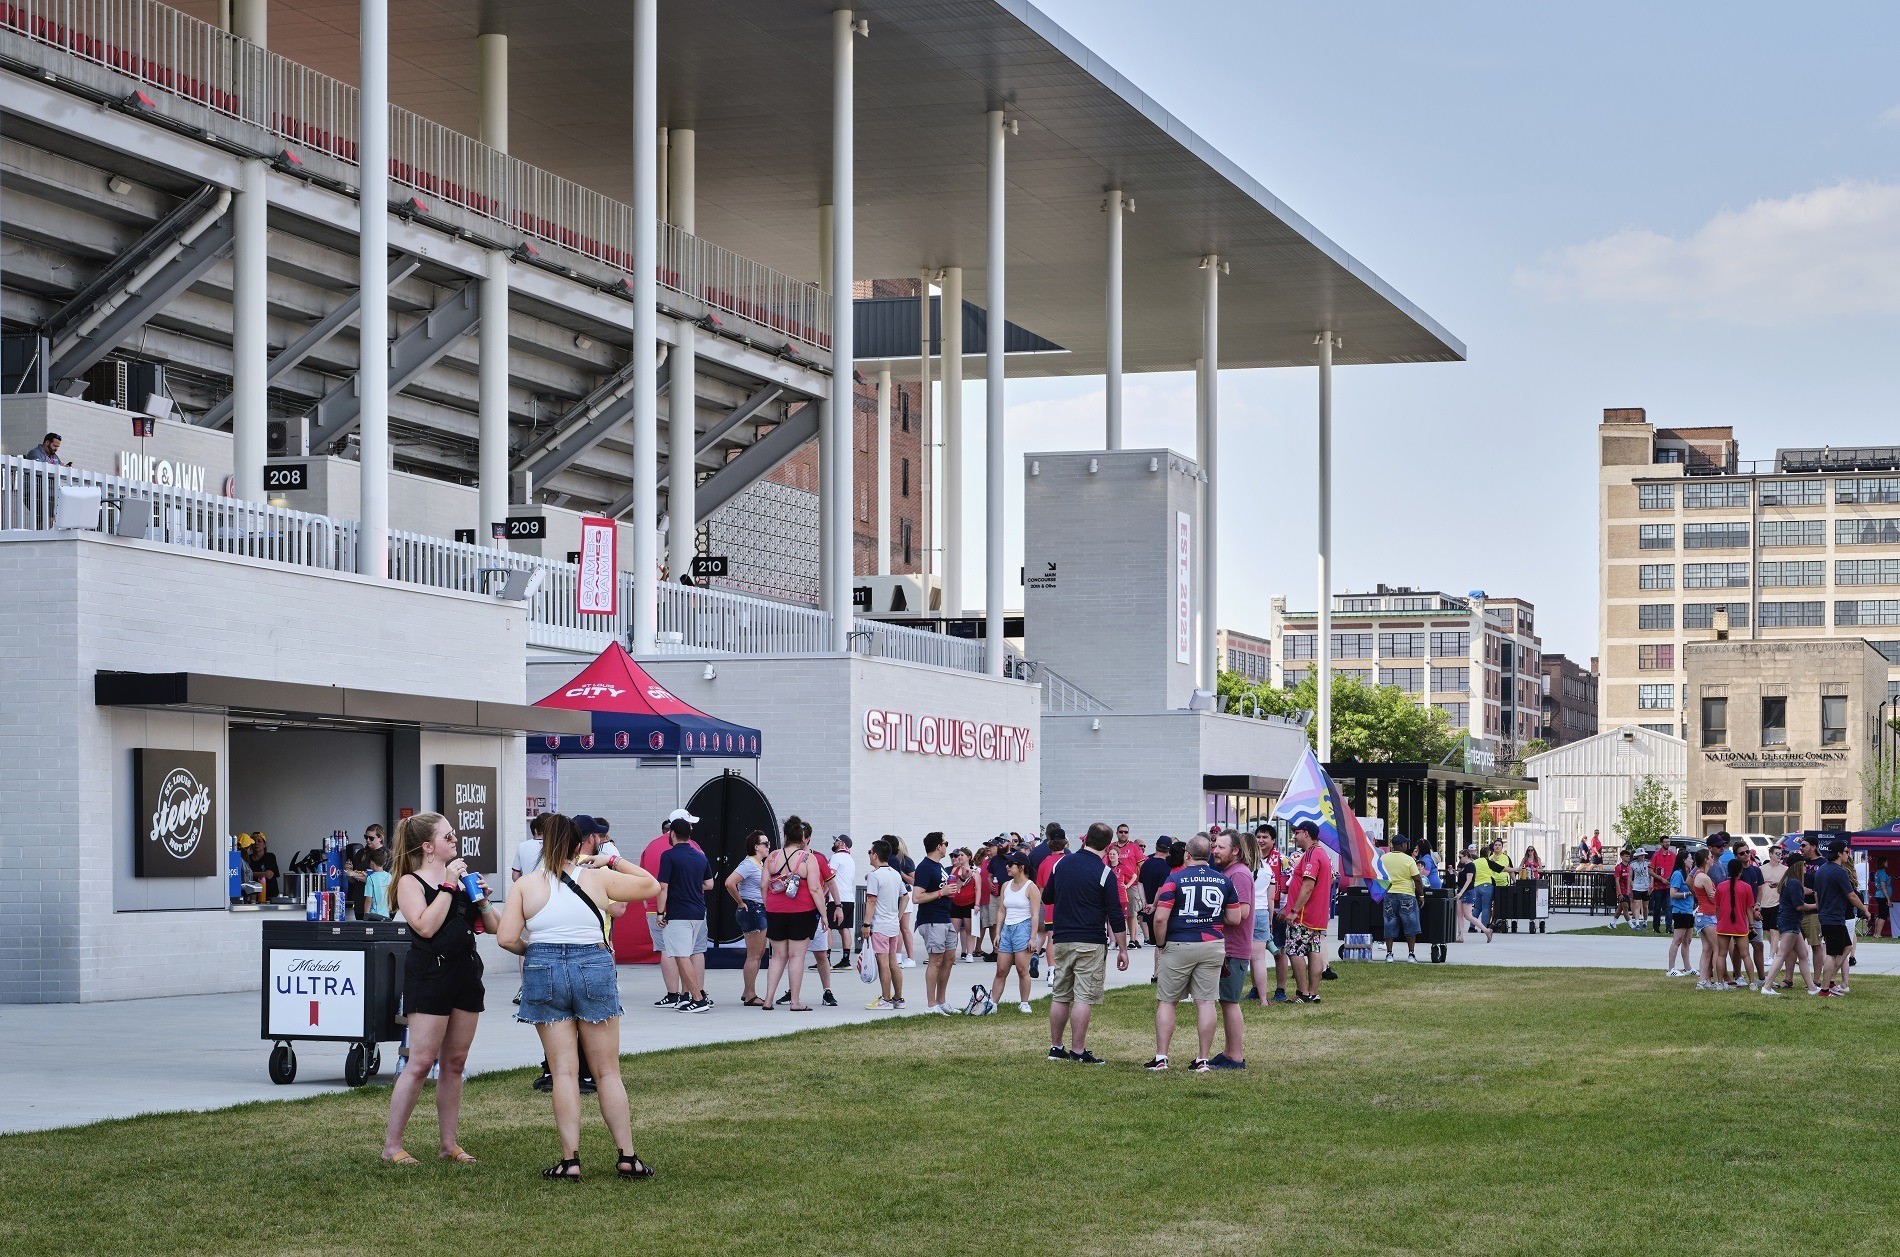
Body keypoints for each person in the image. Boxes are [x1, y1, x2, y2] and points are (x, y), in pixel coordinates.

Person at [497, 814, 660, 1181]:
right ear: (578, 845)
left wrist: (535, 953)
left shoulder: (526, 886)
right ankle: (627, 1156)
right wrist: (611, 859)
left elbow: (506, 938)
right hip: (594, 965)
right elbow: (650, 885)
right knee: (607, 1071)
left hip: (544, 968)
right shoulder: (597, 877)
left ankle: (570, 1161)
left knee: (564, 1072)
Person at [381, 812, 499, 1166]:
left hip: (465, 974)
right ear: (428, 847)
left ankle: (449, 1144)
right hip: (430, 976)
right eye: (448, 837)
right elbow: (426, 927)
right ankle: (392, 1146)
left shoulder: (461, 880)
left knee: (455, 1062)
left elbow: (492, 926)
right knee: (419, 1063)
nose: (455, 841)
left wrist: (480, 900)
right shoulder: (409, 883)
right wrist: (448, 886)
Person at [1144, 835, 1238, 1072]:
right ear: (1208, 855)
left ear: (1187, 854)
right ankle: (1203, 1059)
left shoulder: (1174, 879)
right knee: (1206, 1001)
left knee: (1167, 1000)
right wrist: (1214, 918)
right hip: (1213, 944)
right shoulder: (1223, 881)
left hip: (1179, 943)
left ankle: (1162, 1057)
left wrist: (1161, 942)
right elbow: (1235, 917)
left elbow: (1161, 917)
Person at [1042, 822, 1129, 1063]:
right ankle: (1078, 1051)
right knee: (1083, 997)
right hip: (1090, 940)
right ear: (1108, 845)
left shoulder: (1061, 864)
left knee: (1060, 994)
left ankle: (1056, 1048)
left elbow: (1047, 896)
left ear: (1085, 839)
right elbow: (1115, 914)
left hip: (1061, 938)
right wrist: (1123, 949)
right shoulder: (1105, 873)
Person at [762, 816, 829, 1011]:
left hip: (775, 910)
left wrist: (769, 906)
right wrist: (824, 915)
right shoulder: (809, 858)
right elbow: (816, 889)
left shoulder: (772, 856)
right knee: (797, 956)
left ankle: (768, 1000)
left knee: (777, 956)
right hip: (801, 911)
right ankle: (795, 1002)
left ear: (785, 836)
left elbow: (763, 885)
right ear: (802, 838)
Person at [1209, 831, 1254, 1069]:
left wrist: (1208, 914)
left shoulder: (1239, 874)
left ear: (1235, 850)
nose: (1214, 851)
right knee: (1225, 1001)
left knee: (1230, 1001)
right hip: (1226, 947)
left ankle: (1235, 1056)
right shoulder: (1229, 872)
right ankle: (1228, 1051)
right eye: (1215, 846)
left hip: (1234, 949)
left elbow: (1242, 913)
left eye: (1220, 848)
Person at [1283, 821, 1334, 1004]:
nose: (1294, 837)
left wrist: (1294, 911)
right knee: (1314, 951)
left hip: (1304, 915)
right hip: (1317, 915)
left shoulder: (1312, 854)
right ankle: (1313, 993)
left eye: (1296, 833)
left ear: (1305, 833)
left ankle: (1303, 993)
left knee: (1294, 950)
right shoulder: (1322, 854)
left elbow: (1308, 885)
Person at [910, 832, 962, 1014]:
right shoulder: (924, 867)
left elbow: (945, 889)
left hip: (945, 917)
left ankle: (942, 1001)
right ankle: (931, 1004)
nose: (947, 846)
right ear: (938, 846)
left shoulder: (938, 866)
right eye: (945, 843)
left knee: (949, 959)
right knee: (936, 960)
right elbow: (916, 897)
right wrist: (942, 892)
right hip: (931, 920)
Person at [987, 852, 1042, 1012]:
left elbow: (1035, 915)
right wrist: (998, 932)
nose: (1007, 867)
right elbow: (1001, 911)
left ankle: (1024, 1003)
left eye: (1010, 864)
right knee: (1001, 970)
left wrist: (1033, 938)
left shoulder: (1031, 888)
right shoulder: (1006, 885)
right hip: (1007, 929)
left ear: (1021, 867)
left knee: (1022, 969)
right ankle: (993, 1004)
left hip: (1023, 929)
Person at [723, 830, 771, 1008]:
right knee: (754, 955)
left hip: (757, 909)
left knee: (757, 955)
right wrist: (741, 902)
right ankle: (750, 994)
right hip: (753, 910)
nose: (768, 846)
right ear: (756, 847)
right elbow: (729, 882)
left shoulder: (758, 864)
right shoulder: (750, 864)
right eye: (765, 844)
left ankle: (747, 991)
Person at [1760, 853, 1819, 996]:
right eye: (1804, 864)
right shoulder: (1794, 882)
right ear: (1798, 866)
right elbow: (1799, 906)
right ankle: (1767, 986)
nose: (1806, 867)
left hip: (1791, 921)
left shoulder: (1789, 880)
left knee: (1803, 955)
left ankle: (1812, 988)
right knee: (1781, 955)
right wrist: (1817, 905)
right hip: (1790, 922)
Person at [1814, 841, 1867, 996]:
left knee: (1847, 947)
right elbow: (1851, 895)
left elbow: (1817, 894)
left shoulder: (1821, 870)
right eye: (1846, 851)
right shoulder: (1840, 872)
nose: (1848, 854)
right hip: (1834, 917)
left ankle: (1829, 981)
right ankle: (1824, 990)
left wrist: (1821, 910)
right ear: (1839, 853)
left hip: (1828, 916)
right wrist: (1865, 909)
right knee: (1832, 953)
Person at [862, 839, 909, 1010]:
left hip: (880, 925)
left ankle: (886, 999)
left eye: (869, 852)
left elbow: (871, 901)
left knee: (883, 963)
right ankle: (898, 998)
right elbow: (905, 896)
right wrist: (898, 916)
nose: (869, 855)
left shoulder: (875, 875)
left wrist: (866, 924)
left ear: (875, 855)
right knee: (893, 962)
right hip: (892, 925)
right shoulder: (895, 874)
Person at [1714, 855, 1757, 990]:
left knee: (1721, 954)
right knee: (1746, 955)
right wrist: (1751, 925)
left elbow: (1717, 907)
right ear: (1740, 871)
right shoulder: (1746, 887)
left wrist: (1719, 919)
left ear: (1728, 871)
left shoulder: (1720, 887)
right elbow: (1749, 908)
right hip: (1740, 926)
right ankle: (1752, 983)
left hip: (1723, 925)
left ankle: (1720, 983)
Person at [1378, 834, 1424, 962]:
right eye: (1405, 844)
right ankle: (1411, 954)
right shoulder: (1408, 860)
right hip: (1407, 895)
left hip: (1389, 894)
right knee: (1410, 924)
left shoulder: (1383, 858)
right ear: (1402, 845)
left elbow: (1379, 876)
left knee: (1389, 923)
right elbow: (1417, 879)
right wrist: (1421, 895)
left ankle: (1389, 954)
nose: (1406, 845)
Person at [1032, 825, 1070, 979]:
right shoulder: (1069, 860)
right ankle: (1065, 971)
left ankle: (1051, 971)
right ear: (1064, 843)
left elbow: (1040, 889)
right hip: (1068, 906)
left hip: (1050, 906)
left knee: (1051, 939)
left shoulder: (1044, 862)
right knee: (1068, 940)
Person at [1687, 850, 1722, 990]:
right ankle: (1717, 981)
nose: (1713, 859)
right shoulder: (1704, 878)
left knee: (1707, 949)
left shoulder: (1698, 875)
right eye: (1710, 857)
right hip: (1708, 915)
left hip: (1702, 915)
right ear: (1706, 860)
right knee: (1717, 948)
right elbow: (1713, 897)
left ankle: (1703, 981)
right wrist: (1720, 893)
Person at [1664, 849, 1695, 977]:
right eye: (1690, 858)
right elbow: (1672, 894)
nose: (1692, 860)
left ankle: (1687, 967)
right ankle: (1671, 968)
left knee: (1687, 941)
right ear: (1684, 860)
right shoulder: (1678, 874)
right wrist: (1687, 893)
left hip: (1689, 911)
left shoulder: (1688, 873)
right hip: (1680, 911)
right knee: (1677, 940)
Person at [345, 824, 387, 920]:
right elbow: (352, 880)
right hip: (360, 901)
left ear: (380, 838)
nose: (367, 840)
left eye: (371, 838)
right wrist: (349, 872)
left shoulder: (387, 855)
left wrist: (368, 880)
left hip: (379, 905)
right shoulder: (361, 853)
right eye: (366, 837)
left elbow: (389, 881)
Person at [828, 835, 857, 966]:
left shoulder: (836, 857)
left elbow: (828, 878)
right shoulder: (850, 859)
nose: (834, 842)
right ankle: (846, 960)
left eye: (836, 840)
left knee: (827, 928)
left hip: (836, 899)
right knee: (844, 928)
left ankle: (825, 960)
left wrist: (821, 895)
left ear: (842, 843)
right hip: (849, 899)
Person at [950, 847, 980, 961]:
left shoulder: (975, 872)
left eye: (962, 855)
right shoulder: (955, 870)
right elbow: (953, 886)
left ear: (969, 857)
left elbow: (978, 889)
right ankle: (951, 954)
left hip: (969, 903)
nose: (959, 857)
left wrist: (977, 904)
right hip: (956, 903)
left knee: (969, 930)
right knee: (953, 930)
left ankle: (969, 953)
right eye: (959, 855)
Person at [363, 848, 393, 920]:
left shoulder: (370, 878)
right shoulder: (389, 876)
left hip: (375, 915)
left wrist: (365, 916)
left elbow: (368, 900)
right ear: (384, 863)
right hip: (386, 914)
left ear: (372, 862)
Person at [1631, 847, 1653, 931]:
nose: (1642, 857)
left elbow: (1651, 875)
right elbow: (1631, 876)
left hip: (1646, 886)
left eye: (1643, 855)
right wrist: (1631, 885)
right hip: (1637, 886)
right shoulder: (1633, 864)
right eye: (1640, 855)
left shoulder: (1648, 863)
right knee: (1637, 904)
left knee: (1645, 906)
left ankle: (1645, 921)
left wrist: (1651, 886)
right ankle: (1637, 923)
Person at [1611, 849, 1634, 928]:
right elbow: (1617, 881)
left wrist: (1632, 888)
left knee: (1620, 908)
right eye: (1626, 856)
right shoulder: (1618, 867)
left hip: (1628, 891)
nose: (1628, 858)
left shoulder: (1630, 867)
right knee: (1625, 907)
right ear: (1621, 857)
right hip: (1622, 890)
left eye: (1629, 856)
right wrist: (1619, 893)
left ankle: (1612, 923)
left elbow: (1630, 879)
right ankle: (1631, 925)